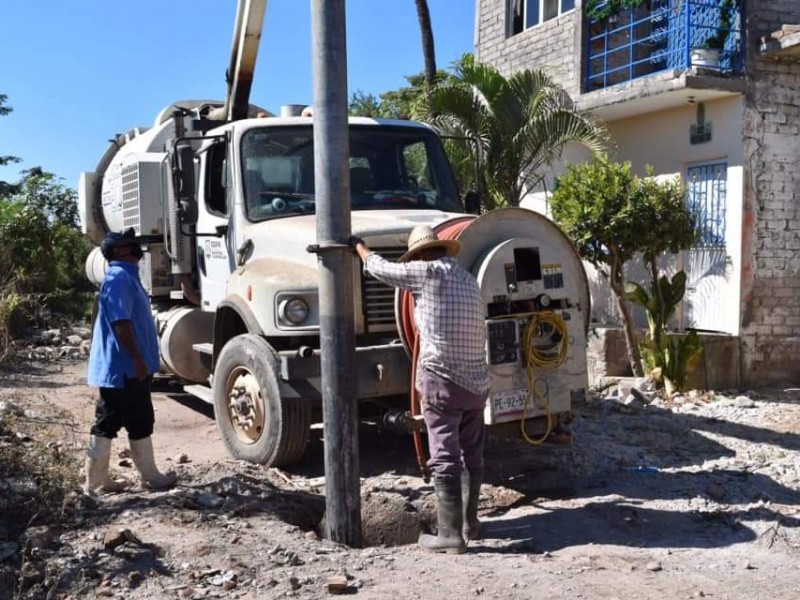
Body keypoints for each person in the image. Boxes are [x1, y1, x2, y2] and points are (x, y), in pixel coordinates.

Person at [350, 225, 490, 554]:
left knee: (443, 456)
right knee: (472, 452)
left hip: (442, 380)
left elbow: (380, 269)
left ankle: (449, 536)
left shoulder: (425, 273)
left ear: (420, 254)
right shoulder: (469, 280)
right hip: (477, 383)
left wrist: (360, 248)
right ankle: (471, 524)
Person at [84, 228, 177, 495]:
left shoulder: (126, 277)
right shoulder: (119, 278)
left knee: (111, 419)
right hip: (124, 368)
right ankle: (149, 478)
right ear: (118, 252)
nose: (136, 245)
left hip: (122, 368)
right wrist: (137, 360)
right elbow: (121, 324)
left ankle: (98, 482)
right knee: (135, 419)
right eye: (129, 242)